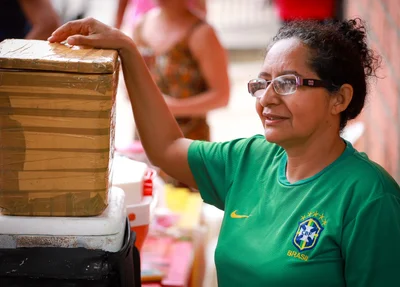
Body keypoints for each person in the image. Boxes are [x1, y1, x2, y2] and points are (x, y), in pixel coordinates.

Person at [49, 17, 400, 286]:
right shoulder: (250, 158)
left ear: (340, 98)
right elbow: (166, 148)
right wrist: (127, 50)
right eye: (262, 83)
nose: (267, 99)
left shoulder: (369, 198)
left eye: (288, 83)